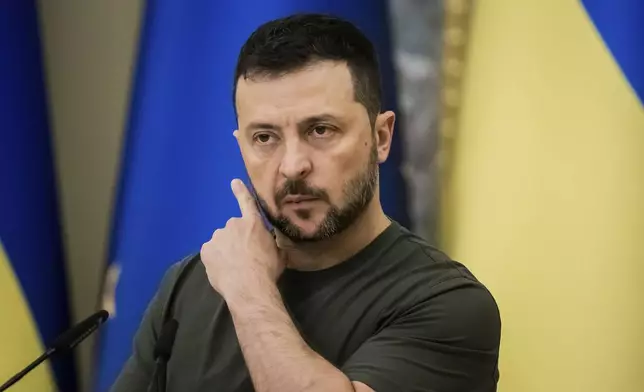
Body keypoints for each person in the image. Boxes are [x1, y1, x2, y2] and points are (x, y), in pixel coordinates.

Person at [109, 13, 501, 392]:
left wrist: (249, 291)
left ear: (381, 137)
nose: (293, 166)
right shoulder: (189, 284)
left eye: (320, 130)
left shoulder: (448, 304)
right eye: (265, 138)